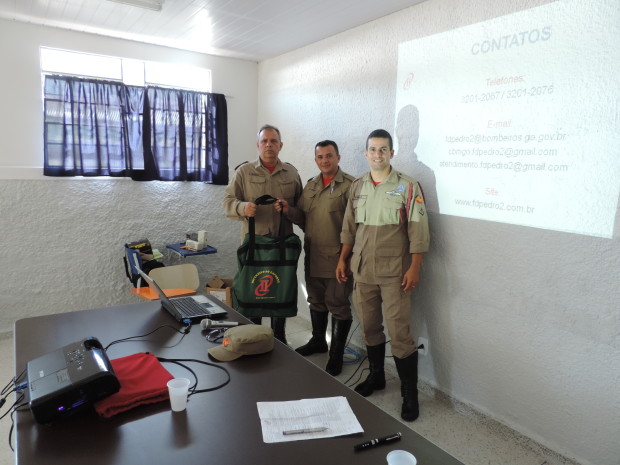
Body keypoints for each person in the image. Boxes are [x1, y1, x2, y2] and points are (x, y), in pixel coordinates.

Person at [336, 129, 430, 421]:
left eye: (383, 149)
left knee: (400, 333)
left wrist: (415, 267)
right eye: (373, 149)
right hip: (362, 269)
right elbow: (349, 227)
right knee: (369, 326)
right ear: (366, 153)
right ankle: (376, 376)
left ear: (392, 153)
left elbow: (418, 230)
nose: (378, 154)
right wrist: (343, 259)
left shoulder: (408, 186)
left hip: (395, 273)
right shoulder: (358, 186)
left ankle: (409, 393)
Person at [279, 140, 355, 375]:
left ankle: (336, 354)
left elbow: (355, 226)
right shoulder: (311, 185)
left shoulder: (350, 186)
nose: (325, 160)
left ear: (338, 157)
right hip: (313, 255)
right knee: (316, 300)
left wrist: (346, 259)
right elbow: (303, 217)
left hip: (338, 259)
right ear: (315, 160)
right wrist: (287, 210)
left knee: (338, 304)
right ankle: (318, 341)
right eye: (320, 157)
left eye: (329, 156)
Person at [223, 124, 302, 344]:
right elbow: (227, 202)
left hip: (281, 247)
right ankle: (254, 338)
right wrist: (243, 208)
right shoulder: (244, 172)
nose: (269, 145)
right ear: (257, 145)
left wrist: (288, 210)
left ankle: (280, 339)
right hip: (253, 248)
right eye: (264, 141)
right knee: (252, 293)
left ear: (280, 145)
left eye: (273, 141)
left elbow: (302, 211)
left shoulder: (292, 173)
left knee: (280, 291)